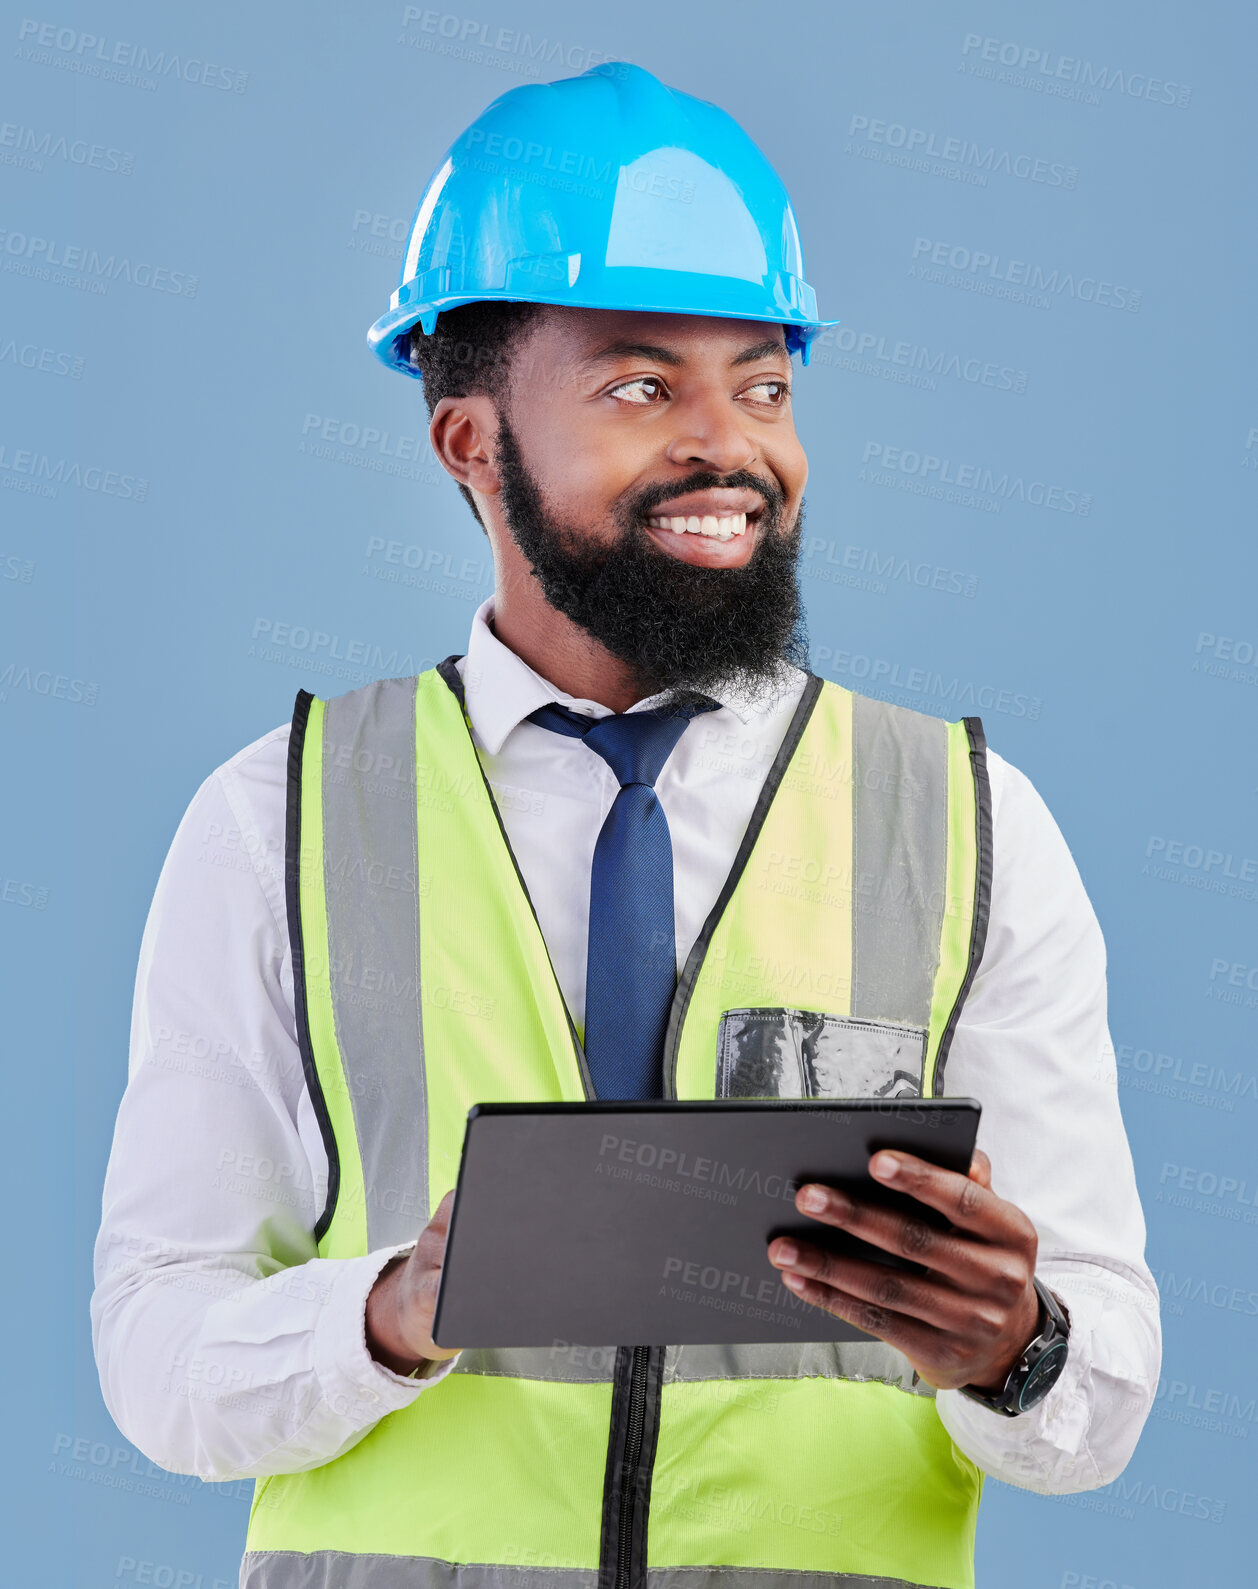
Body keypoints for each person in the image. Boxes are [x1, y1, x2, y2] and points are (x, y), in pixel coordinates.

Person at [92, 61, 1159, 1589]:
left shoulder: (970, 823)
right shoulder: (277, 815)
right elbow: (157, 1347)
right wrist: (392, 1310)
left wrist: (1015, 1343)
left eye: (765, 382)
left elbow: (1100, 1388)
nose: (730, 446)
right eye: (641, 383)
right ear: (469, 440)